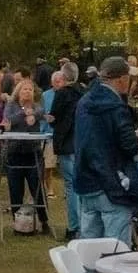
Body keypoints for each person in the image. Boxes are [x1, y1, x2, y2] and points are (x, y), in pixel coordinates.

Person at [73, 56, 138, 246]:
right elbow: (129, 146)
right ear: (121, 80)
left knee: (89, 248)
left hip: (86, 180)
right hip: (111, 182)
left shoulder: (84, 102)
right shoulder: (116, 106)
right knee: (116, 248)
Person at [2, 78, 49, 234]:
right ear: (18, 92)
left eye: (30, 89)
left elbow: (43, 113)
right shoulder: (11, 106)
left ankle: (44, 221)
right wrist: (23, 113)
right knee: (16, 189)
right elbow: (8, 120)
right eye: (24, 89)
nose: (28, 92)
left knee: (37, 188)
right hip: (14, 153)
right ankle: (17, 223)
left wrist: (34, 114)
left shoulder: (37, 107)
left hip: (33, 153)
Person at [49, 61, 84, 239]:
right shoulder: (83, 93)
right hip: (79, 142)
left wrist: (49, 119)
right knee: (79, 184)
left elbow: (54, 118)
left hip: (65, 141)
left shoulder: (62, 94)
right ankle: (82, 224)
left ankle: (73, 225)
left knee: (70, 186)